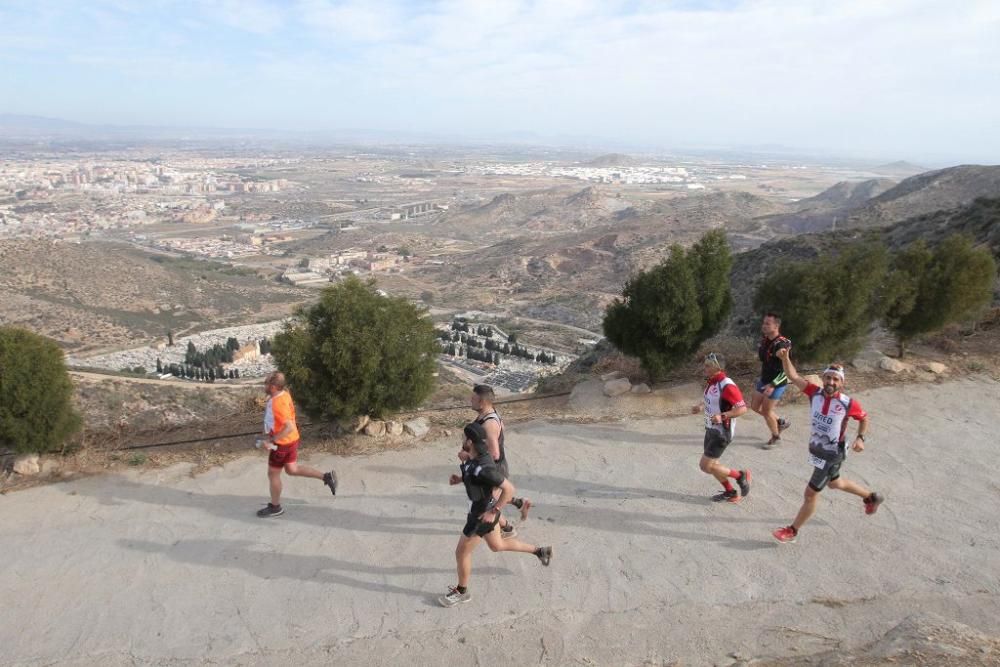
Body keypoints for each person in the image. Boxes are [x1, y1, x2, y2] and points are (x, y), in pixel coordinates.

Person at [770, 348, 884, 543]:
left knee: (810, 494)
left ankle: (792, 530)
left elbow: (864, 419)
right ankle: (871, 497)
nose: (831, 382)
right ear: (823, 379)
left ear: (842, 382)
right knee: (835, 483)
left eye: (835, 379)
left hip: (832, 454)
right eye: (828, 378)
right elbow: (792, 375)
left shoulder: (848, 403)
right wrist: (786, 357)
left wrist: (860, 439)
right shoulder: (814, 393)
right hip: (817, 450)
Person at [439, 422, 552, 607]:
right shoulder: (476, 456)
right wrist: (460, 478)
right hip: (486, 512)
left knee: (461, 553)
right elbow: (477, 477)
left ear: (469, 440)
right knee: (497, 545)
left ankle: (461, 591)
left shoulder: (483, 467)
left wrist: (494, 512)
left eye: (462, 437)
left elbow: (508, 488)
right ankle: (540, 551)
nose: (460, 439)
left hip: (480, 516)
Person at [256, 372, 337, 518]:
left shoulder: (277, 404)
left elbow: (288, 427)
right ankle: (326, 477)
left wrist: (272, 441)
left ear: (273, 386)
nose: (264, 385)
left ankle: (275, 507)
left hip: (282, 444)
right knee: (292, 469)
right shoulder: (284, 394)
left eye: (266, 383)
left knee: (273, 474)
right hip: (292, 440)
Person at [690, 353, 751, 503]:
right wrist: (700, 406)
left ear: (717, 367)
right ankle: (730, 491)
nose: (704, 368)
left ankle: (740, 476)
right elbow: (711, 399)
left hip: (722, 432)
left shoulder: (727, 385)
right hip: (710, 429)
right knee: (714, 465)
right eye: (705, 364)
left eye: (708, 365)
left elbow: (742, 409)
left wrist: (723, 416)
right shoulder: (712, 382)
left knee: (705, 466)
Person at [472, 384, 532, 538]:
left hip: (494, 469)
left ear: (482, 402)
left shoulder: (489, 423)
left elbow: (495, 453)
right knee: (492, 498)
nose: (470, 401)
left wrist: (478, 466)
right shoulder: (489, 414)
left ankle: (508, 529)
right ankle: (519, 503)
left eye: (473, 398)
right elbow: (501, 429)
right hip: (496, 467)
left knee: (487, 504)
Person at [751, 312, 793, 449]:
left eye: (768, 324)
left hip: (777, 382)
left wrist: (773, 385)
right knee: (755, 407)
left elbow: (785, 370)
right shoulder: (765, 339)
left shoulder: (781, 344)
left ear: (776, 326)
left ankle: (776, 437)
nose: (764, 326)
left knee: (767, 411)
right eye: (764, 323)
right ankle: (780, 422)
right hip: (764, 379)